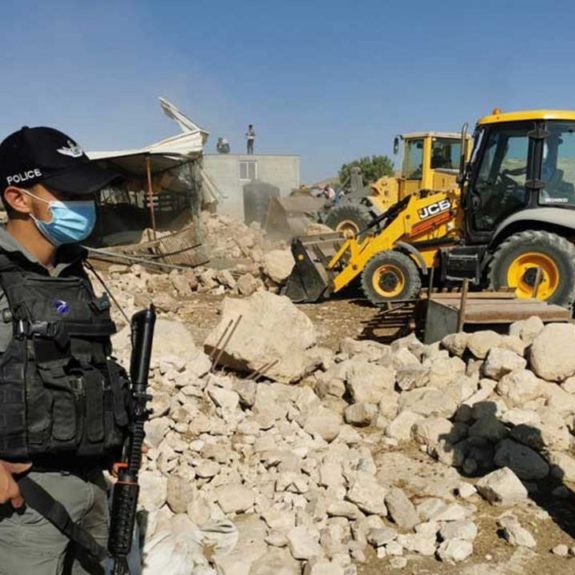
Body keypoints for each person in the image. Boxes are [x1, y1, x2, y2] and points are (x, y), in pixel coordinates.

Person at [0, 126, 131, 574]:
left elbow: (81, 370)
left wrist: (112, 427)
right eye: (68, 192)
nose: (85, 205)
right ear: (18, 199)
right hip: (24, 505)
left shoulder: (74, 271)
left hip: (94, 487)